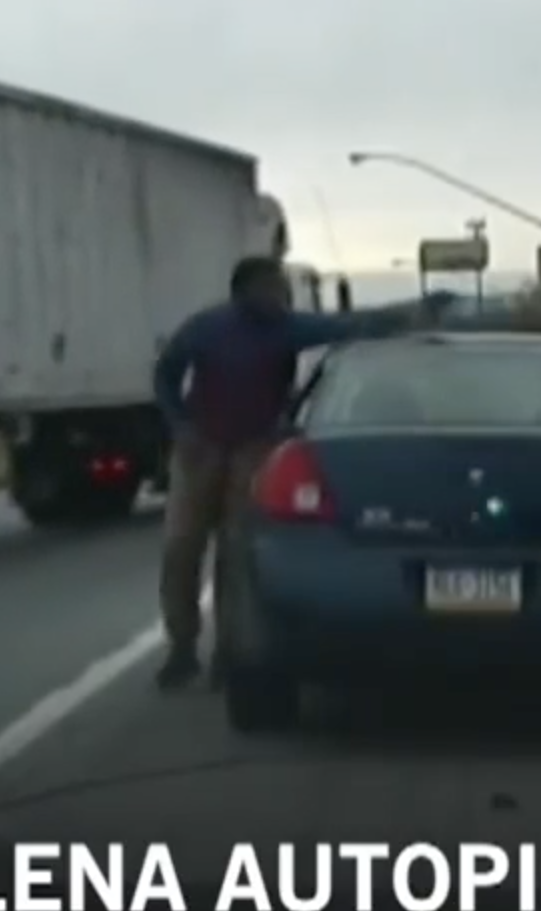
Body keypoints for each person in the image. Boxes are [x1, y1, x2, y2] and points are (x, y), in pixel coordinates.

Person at [149, 257, 454, 688]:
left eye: (281, 289)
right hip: (201, 446)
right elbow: (165, 374)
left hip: (255, 446)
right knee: (181, 546)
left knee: (238, 553)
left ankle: (229, 649)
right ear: (243, 293)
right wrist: (180, 425)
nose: (279, 297)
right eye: (270, 289)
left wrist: (416, 310)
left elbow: (351, 325)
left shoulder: (289, 328)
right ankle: (181, 646)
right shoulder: (205, 328)